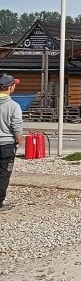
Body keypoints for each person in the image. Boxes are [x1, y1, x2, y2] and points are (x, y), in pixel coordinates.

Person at [0, 74, 24, 211]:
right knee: (3, 175)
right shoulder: (13, 106)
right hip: (6, 145)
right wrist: (19, 141)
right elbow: (17, 126)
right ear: (10, 87)